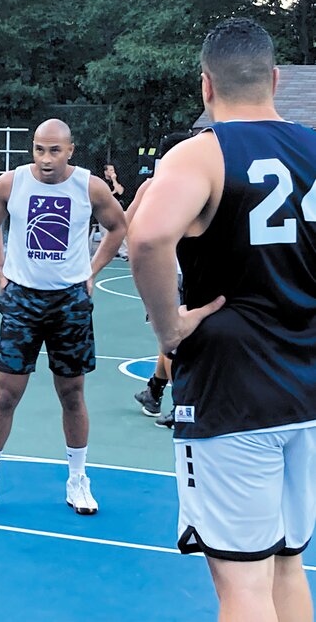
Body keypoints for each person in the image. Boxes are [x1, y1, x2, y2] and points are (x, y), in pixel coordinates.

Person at [129, 18, 316, 621]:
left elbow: (148, 238)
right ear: (276, 79)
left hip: (232, 394)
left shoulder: (204, 152)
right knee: (286, 564)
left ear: (205, 86)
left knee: (241, 586)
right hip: (306, 391)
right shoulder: (314, 148)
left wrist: (168, 328)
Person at [0, 119, 127, 517]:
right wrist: (1, 271)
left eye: (55, 150)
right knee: (5, 395)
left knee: (72, 394)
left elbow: (118, 227)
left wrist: (91, 271)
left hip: (69, 302)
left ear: (70, 150)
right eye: (39, 149)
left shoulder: (90, 186)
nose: (46, 158)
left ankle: (77, 479)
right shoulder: (11, 183)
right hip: (22, 300)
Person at [126, 132, 192, 426]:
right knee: (174, 340)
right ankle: (173, 399)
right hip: (186, 271)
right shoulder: (199, 183)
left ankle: (161, 394)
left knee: (170, 338)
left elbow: (126, 222)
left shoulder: (152, 186)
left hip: (166, 272)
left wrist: (138, 254)